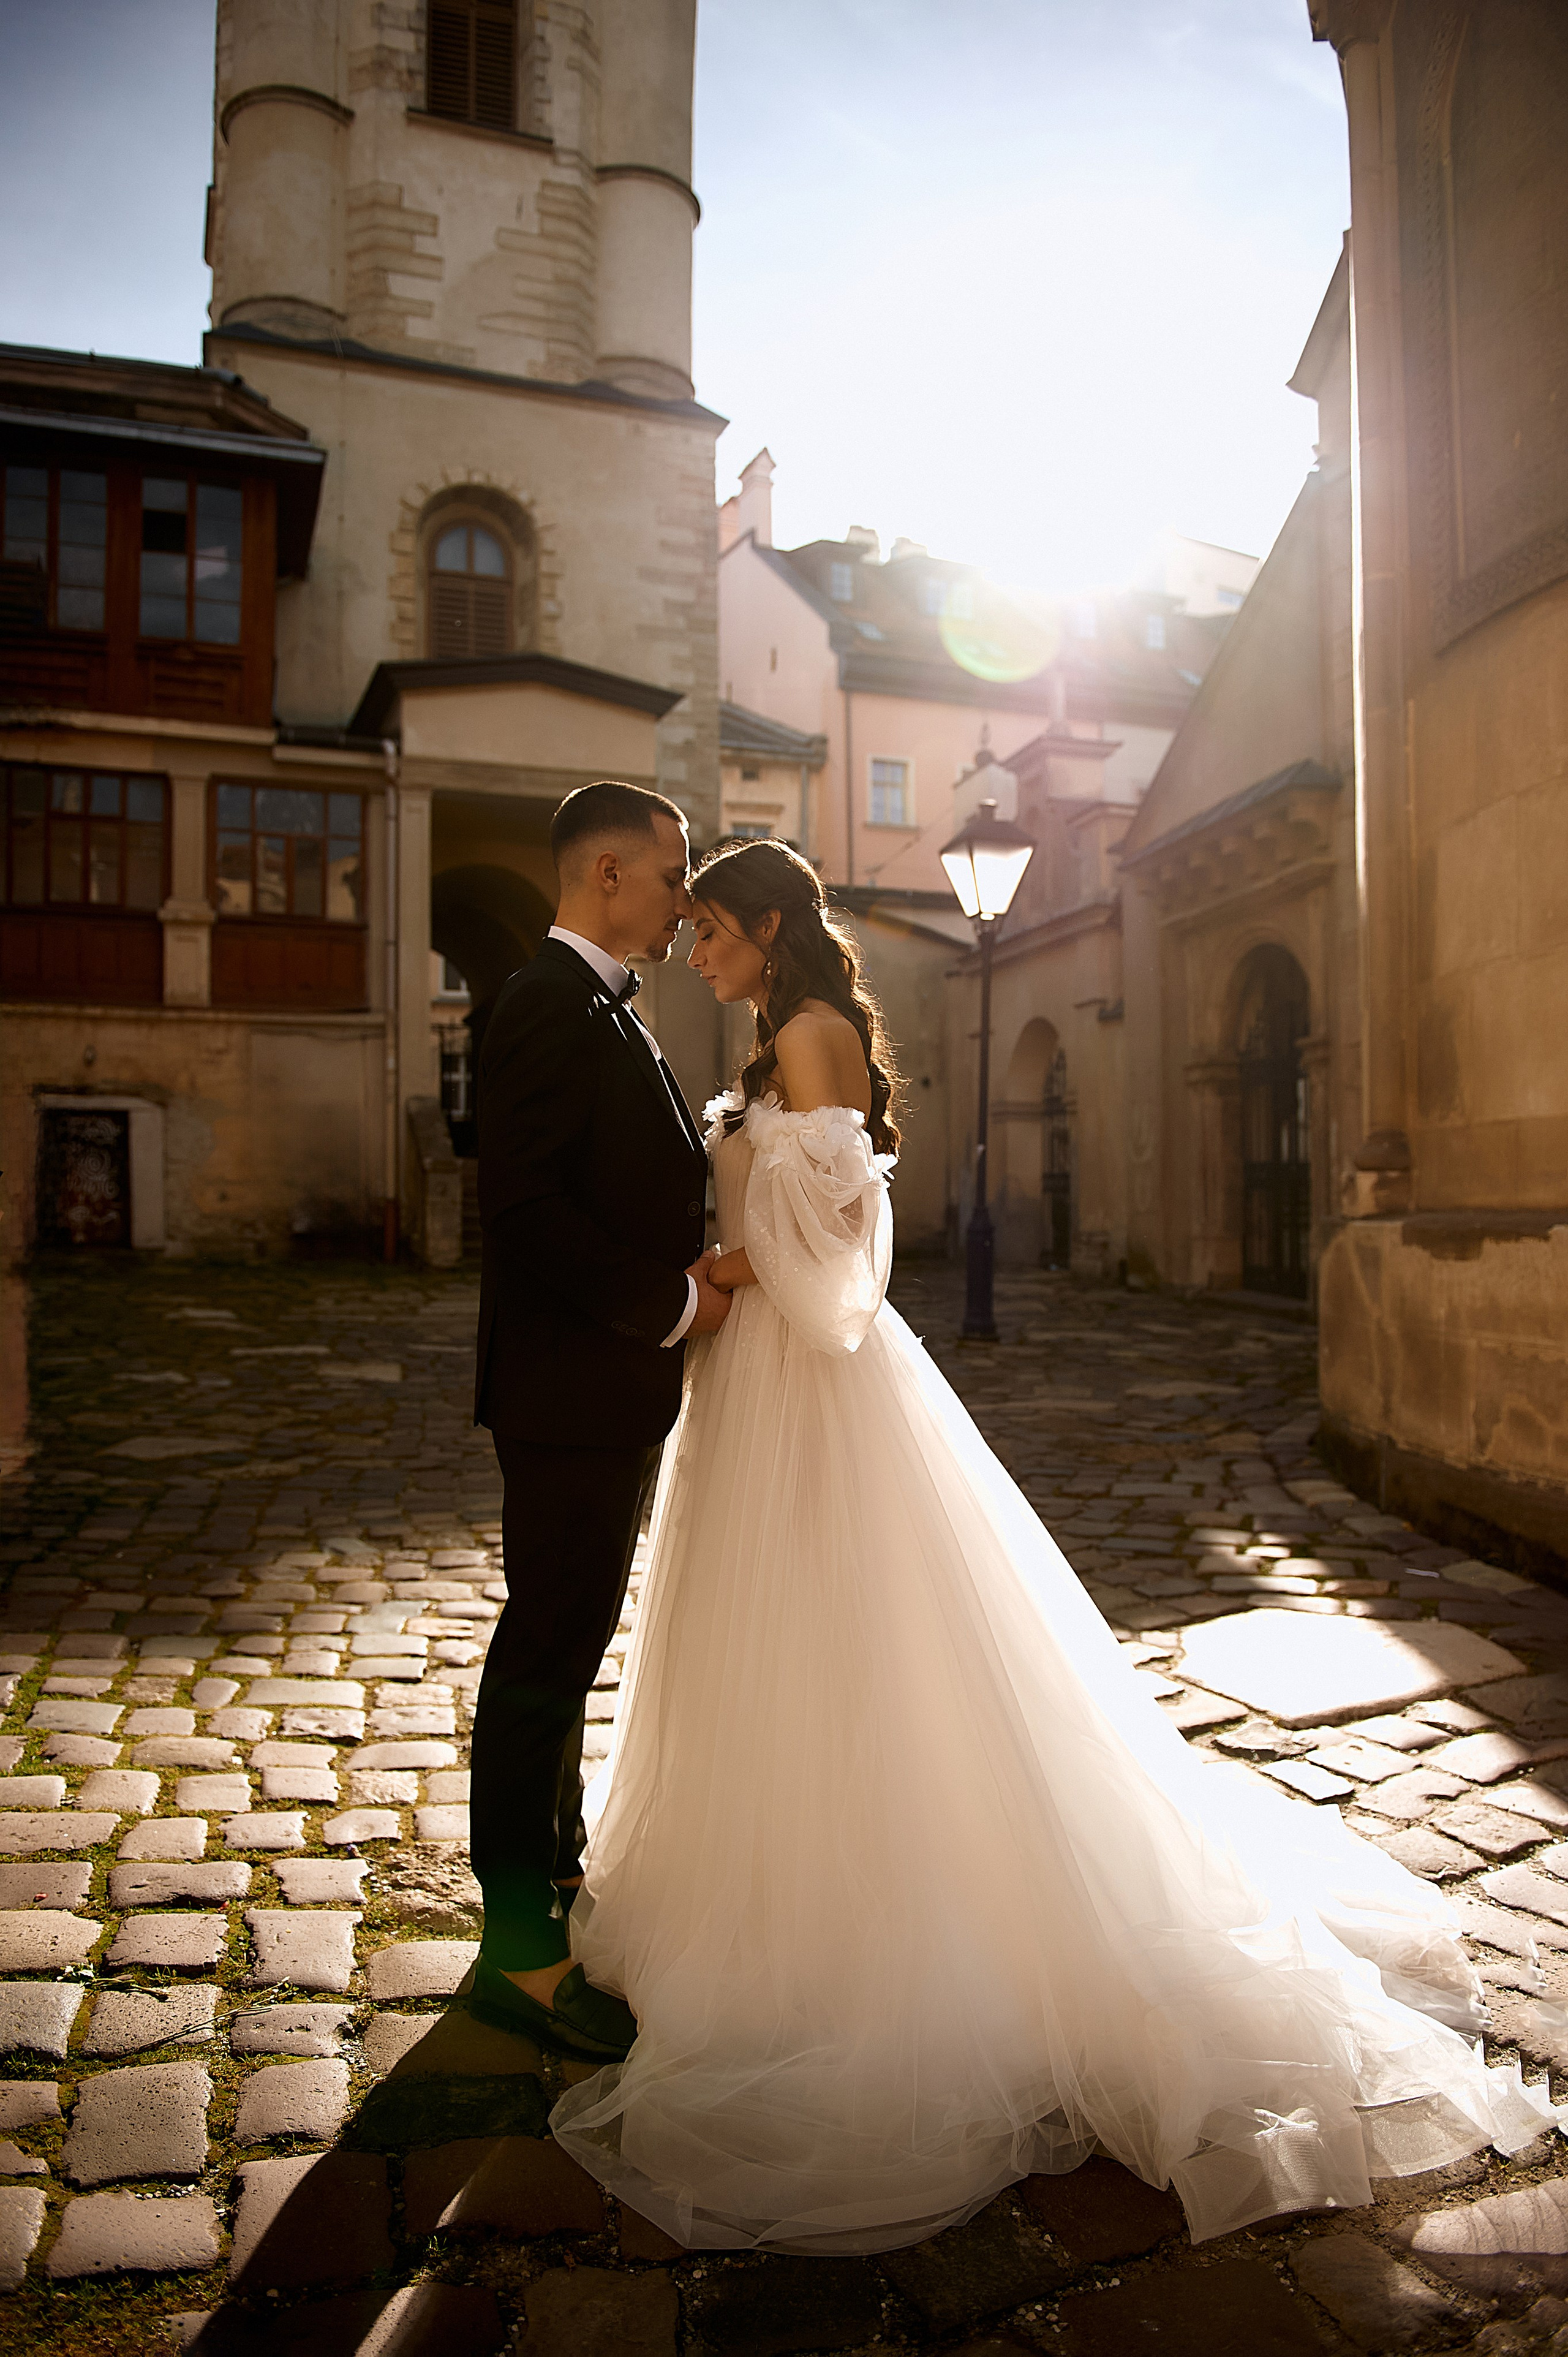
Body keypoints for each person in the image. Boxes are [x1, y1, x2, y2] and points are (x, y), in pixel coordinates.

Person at [549, 836, 1559, 2253]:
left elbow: (836, 1263)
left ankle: (868, 1924)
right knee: (765, 1638)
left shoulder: (816, 1035)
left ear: (766, 928)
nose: (695, 948)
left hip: (808, 1379)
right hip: (752, 1383)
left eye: (710, 927)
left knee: (852, 1631)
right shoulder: (776, 1039)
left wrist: (717, 1268)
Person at [469, 779, 731, 2059]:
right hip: (569, 1389)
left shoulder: (606, 1006)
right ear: (608, 872)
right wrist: (673, 1303)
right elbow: (525, 1211)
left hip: (603, 1390)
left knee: (569, 1643)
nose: (685, 900)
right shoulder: (543, 1003)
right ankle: (517, 1951)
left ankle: (557, 1875)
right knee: (542, 1652)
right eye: (674, 874)